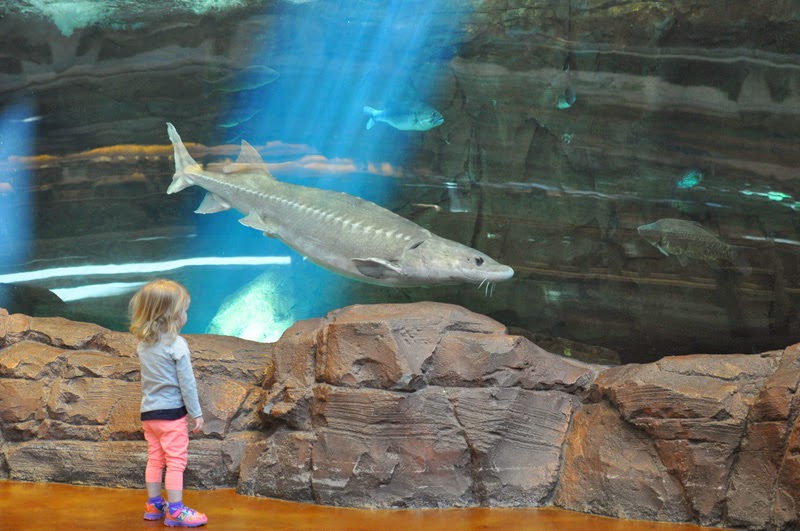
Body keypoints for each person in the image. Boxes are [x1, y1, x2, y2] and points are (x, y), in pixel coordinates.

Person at [129, 279, 208, 527]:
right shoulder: (176, 344)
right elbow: (187, 383)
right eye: (184, 310)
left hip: (149, 413)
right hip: (172, 415)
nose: (186, 314)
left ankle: (154, 505)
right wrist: (196, 413)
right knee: (175, 462)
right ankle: (175, 510)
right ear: (172, 315)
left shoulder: (144, 345)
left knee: (155, 458)